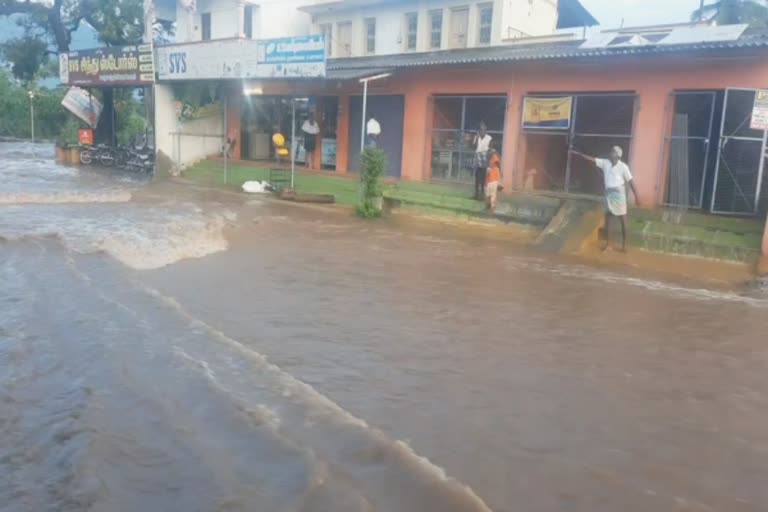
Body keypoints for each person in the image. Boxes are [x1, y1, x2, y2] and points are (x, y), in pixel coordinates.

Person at [571, 146, 639, 252]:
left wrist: (636, 197)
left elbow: (631, 182)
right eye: (611, 150)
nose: (611, 152)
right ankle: (608, 245)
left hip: (619, 194)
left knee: (622, 219)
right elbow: (593, 159)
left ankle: (624, 246)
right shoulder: (605, 163)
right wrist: (580, 155)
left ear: (618, 155)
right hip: (608, 193)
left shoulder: (623, 167)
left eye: (613, 152)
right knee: (608, 219)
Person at [473, 123, 492, 199]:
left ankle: (482, 195)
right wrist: (477, 138)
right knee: (477, 178)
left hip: (485, 159)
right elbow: (474, 147)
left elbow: (491, 149)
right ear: (479, 131)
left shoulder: (489, 138)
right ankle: (476, 194)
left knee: (484, 179)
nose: (482, 131)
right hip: (478, 158)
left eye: (484, 130)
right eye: (481, 130)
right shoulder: (476, 137)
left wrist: (489, 161)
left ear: (486, 131)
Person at [485, 147, 501, 212]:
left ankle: (491, 207)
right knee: (490, 195)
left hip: (492, 181)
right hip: (491, 181)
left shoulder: (493, 157)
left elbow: (497, 163)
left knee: (491, 194)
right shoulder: (491, 159)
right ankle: (490, 206)